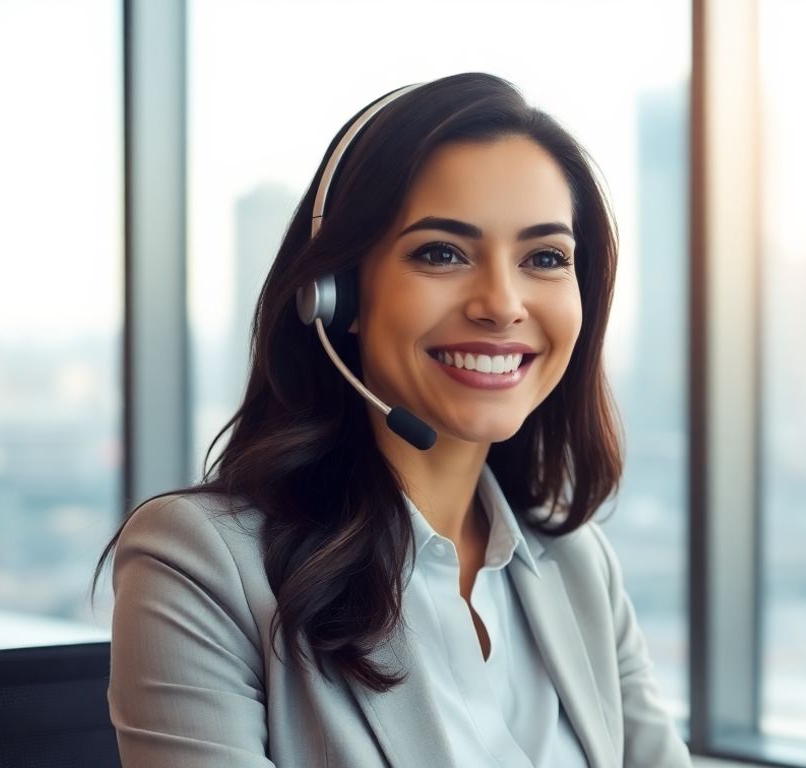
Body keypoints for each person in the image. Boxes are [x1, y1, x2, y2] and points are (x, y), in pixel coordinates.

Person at [96, 72, 691, 767]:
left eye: (545, 258)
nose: (501, 303)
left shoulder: (577, 565)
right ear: (338, 296)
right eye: (442, 252)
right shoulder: (202, 564)